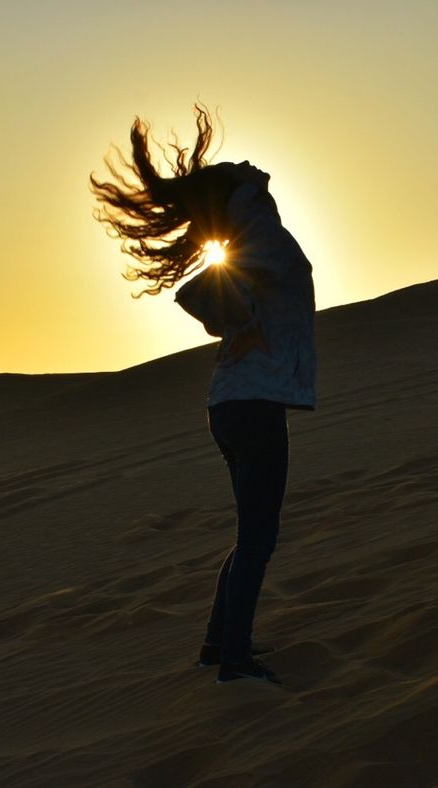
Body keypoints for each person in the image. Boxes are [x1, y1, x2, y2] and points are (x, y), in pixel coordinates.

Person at [91, 105, 316, 685]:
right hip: (254, 403)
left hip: (232, 402)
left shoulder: (246, 229)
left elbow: (245, 189)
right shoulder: (258, 230)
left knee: (251, 537)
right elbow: (201, 289)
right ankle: (234, 662)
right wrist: (240, 320)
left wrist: (241, 321)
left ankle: (219, 645)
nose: (263, 184)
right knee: (259, 539)